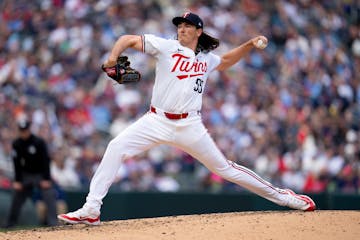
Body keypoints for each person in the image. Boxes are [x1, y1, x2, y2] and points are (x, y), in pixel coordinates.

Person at [58, 12, 316, 226]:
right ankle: (92, 209)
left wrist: (248, 45)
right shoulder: (166, 46)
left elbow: (226, 61)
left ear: (198, 31)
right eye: (180, 25)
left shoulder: (205, 59)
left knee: (225, 169)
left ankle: (284, 197)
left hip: (189, 125)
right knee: (115, 147)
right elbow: (127, 39)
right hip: (156, 120)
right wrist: (113, 59)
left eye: (187, 26)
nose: (181, 29)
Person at [5, 118, 58, 228]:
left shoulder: (39, 142)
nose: (24, 133)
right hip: (26, 175)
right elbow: (17, 164)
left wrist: (46, 179)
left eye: (25, 130)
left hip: (39, 174)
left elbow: (45, 161)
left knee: (49, 194)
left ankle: (53, 222)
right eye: (22, 131)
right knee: (16, 196)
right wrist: (17, 181)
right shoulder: (17, 144)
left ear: (29, 130)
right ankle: (10, 223)